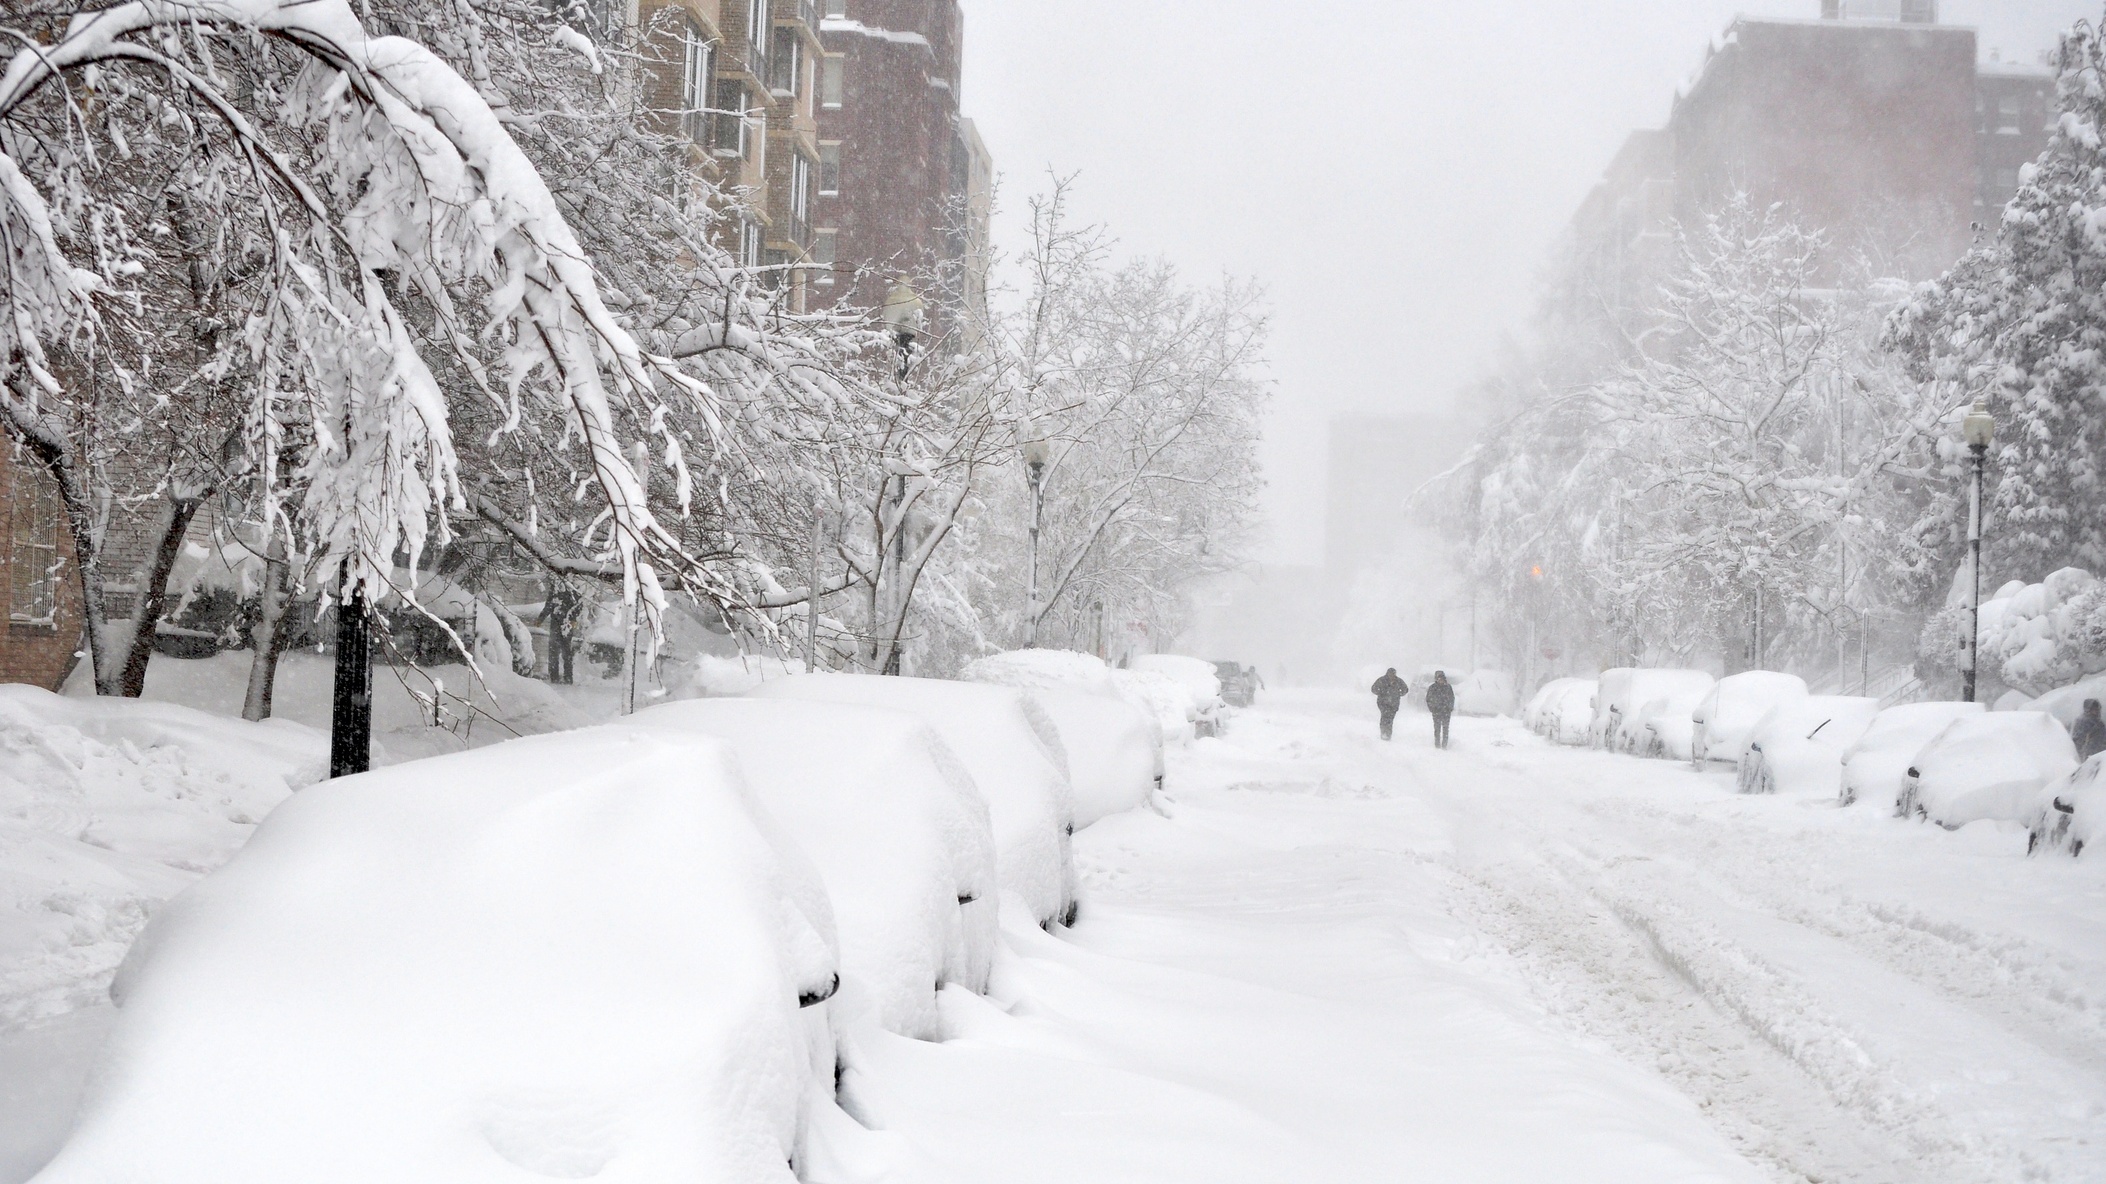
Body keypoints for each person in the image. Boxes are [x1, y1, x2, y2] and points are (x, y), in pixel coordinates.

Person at [1370, 668, 1408, 740]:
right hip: (1383, 703)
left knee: (1390, 719)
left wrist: (1399, 694)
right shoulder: (1382, 680)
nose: (1392, 676)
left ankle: (1388, 734)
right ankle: (1383, 732)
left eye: (1393, 674)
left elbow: (1405, 689)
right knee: (1384, 717)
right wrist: (1380, 693)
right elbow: (1373, 688)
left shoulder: (1398, 681)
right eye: (1390, 674)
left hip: (1394, 703)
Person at [1426, 670, 1456, 749]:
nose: (1440, 680)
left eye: (1441, 678)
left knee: (1445, 728)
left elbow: (1452, 698)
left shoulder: (1448, 687)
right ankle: (1437, 744)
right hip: (1436, 711)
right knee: (1437, 728)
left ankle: (1444, 745)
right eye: (1438, 678)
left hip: (1446, 711)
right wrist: (1432, 708)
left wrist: (1450, 708)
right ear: (1436, 679)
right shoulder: (1432, 688)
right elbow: (1428, 699)